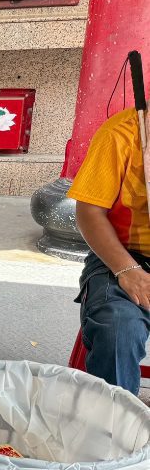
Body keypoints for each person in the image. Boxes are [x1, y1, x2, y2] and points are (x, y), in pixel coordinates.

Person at [69, 106, 150, 394]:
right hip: (124, 257)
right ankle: (115, 429)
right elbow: (88, 212)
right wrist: (127, 270)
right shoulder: (121, 133)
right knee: (118, 330)